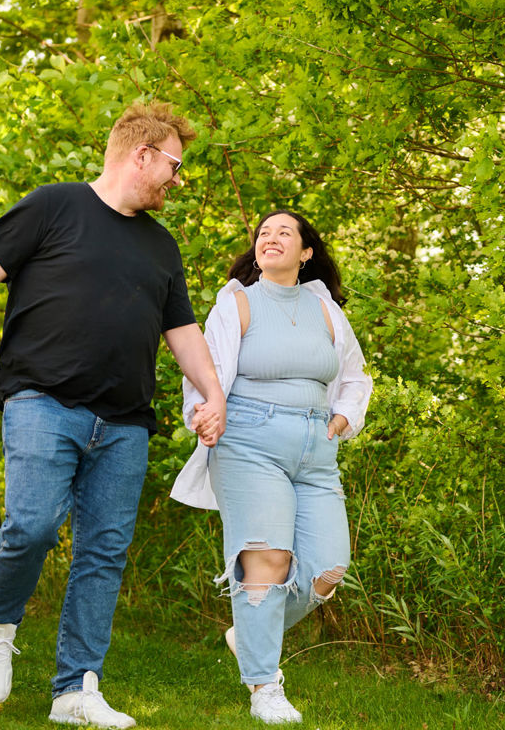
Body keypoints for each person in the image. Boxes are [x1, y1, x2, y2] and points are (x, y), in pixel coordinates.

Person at [0, 101, 226, 729]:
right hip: (42, 401)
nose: (178, 180)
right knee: (31, 525)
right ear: (142, 156)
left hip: (125, 421)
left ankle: (75, 690)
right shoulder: (53, 206)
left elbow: (182, 329)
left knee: (103, 553)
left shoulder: (162, 246)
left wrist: (212, 392)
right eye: (174, 166)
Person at [173, 209, 372, 724]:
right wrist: (204, 414)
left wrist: (343, 418)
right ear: (257, 249)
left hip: (316, 446)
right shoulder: (237, 303)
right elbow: (204, 370)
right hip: (249, 440)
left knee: (329, 569)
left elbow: (355, 376)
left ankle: (249, 633)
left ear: (306, 253)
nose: (271, 237)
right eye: (264, 232)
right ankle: (264, 686)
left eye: (285, 232)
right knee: (269, 560)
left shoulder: (326, 309)